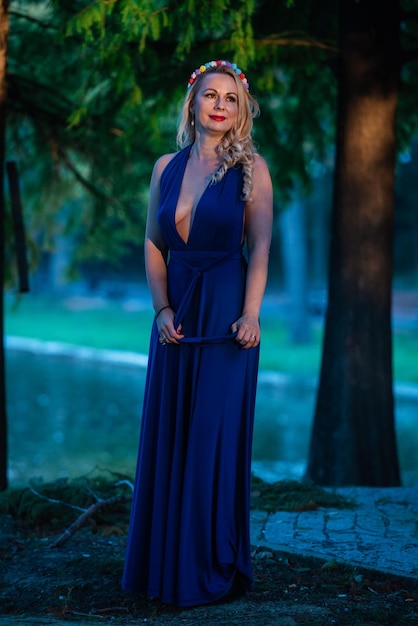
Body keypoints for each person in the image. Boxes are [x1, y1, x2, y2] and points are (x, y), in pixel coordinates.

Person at [122, 59, 273, 607]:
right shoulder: (165, 166)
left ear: (240, 111)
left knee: (210, 441)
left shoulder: (252, 168)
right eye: (210, 95)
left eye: (230, 99)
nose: (219, 105)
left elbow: (259, 249)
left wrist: (251, 314)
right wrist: (160, 309)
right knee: (171, 437)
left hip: (226, 321)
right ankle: (163, 567)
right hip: (175, 320)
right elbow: (152, 243)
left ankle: (209, 568)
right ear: (192, 103)